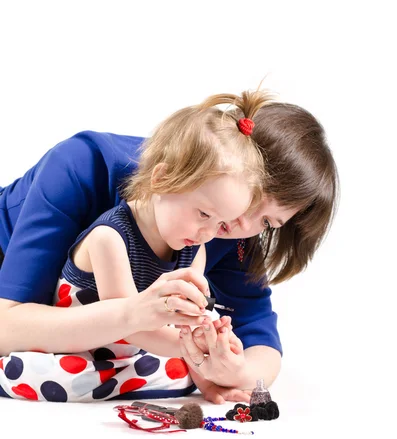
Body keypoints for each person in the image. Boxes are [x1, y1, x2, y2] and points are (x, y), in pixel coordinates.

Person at [0, 88, 338, 403]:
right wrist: (139, 320)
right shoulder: (83, 167)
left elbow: (259, 333)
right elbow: (7, 326)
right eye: (252, 201)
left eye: (267, 223)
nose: (242, 226)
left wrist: (233, 371)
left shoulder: (221, 230)